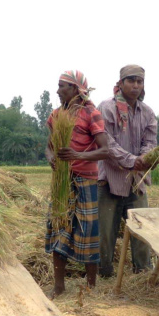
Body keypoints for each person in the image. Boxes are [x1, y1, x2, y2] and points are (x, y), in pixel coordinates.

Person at [45, 70, 112, 297]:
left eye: (62, 86)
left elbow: (105, 150)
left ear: (75, 89)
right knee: (59, 227)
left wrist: (77, 155)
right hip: (61, 181)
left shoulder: (91, 114)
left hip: (86, 181)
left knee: (88, 231)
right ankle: (59, 286)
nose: (57, 90)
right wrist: (51, 158)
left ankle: (91, 286)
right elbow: (49, 147)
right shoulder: (56, 115)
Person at [96, 64, 156, 277]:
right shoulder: (106, 108)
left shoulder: (147, 112)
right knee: (105, 232)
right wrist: (132, 160)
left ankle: (143, 272)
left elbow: (150, 141)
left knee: (142, 229)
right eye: (131, 81)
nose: (136, 85)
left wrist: (145, 157)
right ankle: (104, 274)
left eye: (139, 81)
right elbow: (107, 143)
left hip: (136, 181)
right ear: (120, 84)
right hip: (110, 180)